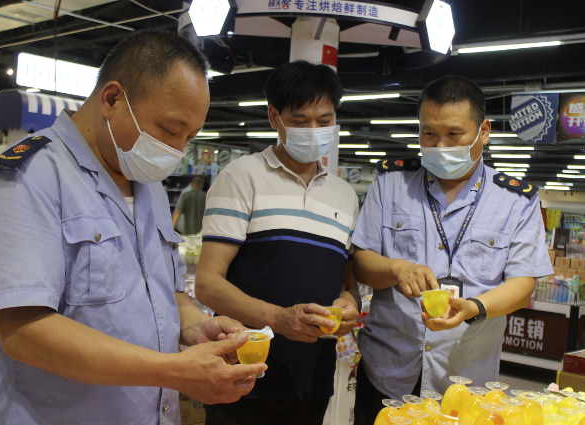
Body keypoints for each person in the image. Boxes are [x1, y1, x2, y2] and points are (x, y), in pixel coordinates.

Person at [0, 29, 265, 425]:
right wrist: (172, 371)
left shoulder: (149, 185)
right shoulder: (28, 177)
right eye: (169, 129)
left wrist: (199, 329)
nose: (176, 151)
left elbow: (167, 294)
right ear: (111, 100)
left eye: (189, 137)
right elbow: (24, 331)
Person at [350, 76, 553, 424]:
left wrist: (474, 307)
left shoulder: (515, 201)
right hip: (386, 371)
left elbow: (523, 285)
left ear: (483, 131)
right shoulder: (391, 184)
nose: (440, 145)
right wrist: (396, 269)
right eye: (429, 133)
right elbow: (361, 263)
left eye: (453, 134)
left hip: (466, 381)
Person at [195, 60, 361, 425]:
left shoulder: (345, 195)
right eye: (300, 121)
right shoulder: (242, 176)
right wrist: (279, 319)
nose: (314, 130)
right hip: (243, 372)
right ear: (275, 118)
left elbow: (349, 285)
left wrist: (348, 309)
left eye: (324, 120)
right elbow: (208, 283)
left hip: (312, 380)